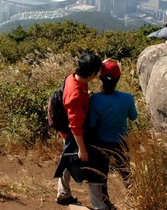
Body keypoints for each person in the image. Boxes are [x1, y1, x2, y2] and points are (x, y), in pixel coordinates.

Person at [87, 59, 138, 210]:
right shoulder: (127, 98)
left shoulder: (95, 99)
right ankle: (134, 196)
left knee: (101, 174)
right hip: (121, 141)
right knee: (125, 171)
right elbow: (133, 117)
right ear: (118, 78)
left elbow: (91, 124)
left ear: (101, 78)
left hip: (101, 141)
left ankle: (105, 202)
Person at [55, 51, 102, 206]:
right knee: (70, 159)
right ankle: (63, 194)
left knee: (68, 158)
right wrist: (82, 149)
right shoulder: (75, 95)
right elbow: (75, 126)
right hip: (72, 132)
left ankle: (63, 194)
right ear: (92, 74)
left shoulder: (74, 76)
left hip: (69, 129)